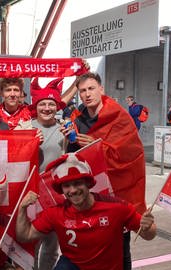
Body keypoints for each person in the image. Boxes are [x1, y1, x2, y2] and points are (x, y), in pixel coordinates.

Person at [63, 72, 146, 270]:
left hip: (115, 192)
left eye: (91, 89)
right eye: (82, 91)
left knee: (120, 245)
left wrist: (99, 147)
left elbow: (131, 155)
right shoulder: (78, 118)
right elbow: (73, 156)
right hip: (87, 194)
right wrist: (67, 140)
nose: (87, 94)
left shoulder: (118, 116)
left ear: (101, 89)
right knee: (89, 246)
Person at [15, 154, 156, 270]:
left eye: (77, 183)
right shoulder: (55, 213)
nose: (73, 190)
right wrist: (22, 208)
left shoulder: (116, 207)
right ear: (61, 189)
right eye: (67, 186)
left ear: (88, 183)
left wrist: (148, 226)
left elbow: (149, 235)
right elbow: (25, 235)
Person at [29, 77, 66, 269]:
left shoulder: (65, 129)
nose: (46, 108)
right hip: (32, 196)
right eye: (42, 103)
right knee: (31, 245)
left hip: (55, 196)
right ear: (36, 106)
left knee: (52, 246)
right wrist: (28, 142)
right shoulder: (25, 128)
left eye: (51, 103)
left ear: (57, 106)